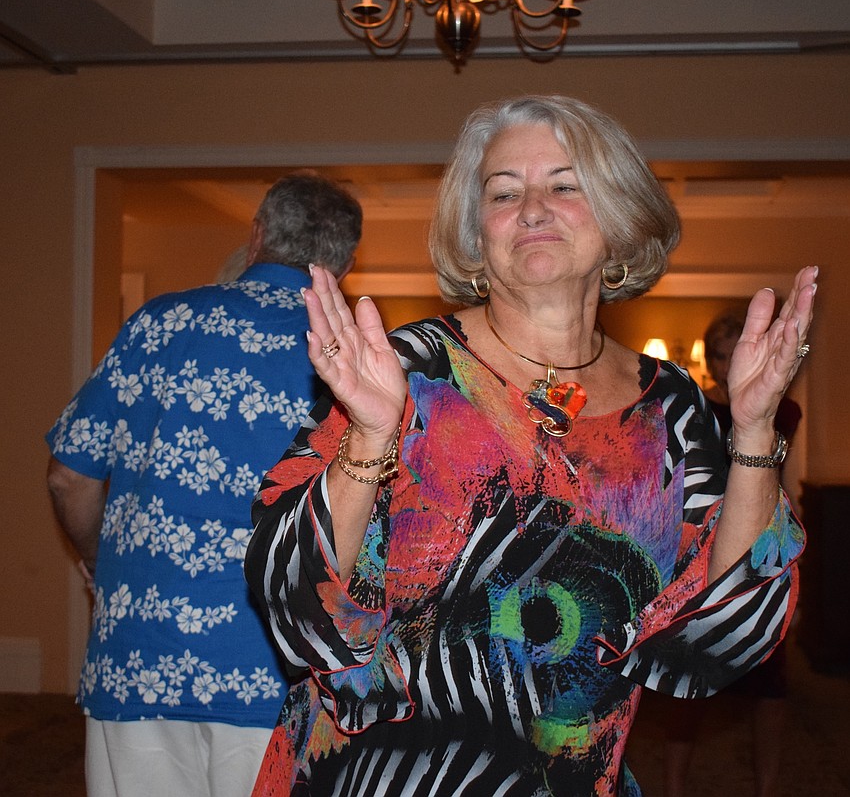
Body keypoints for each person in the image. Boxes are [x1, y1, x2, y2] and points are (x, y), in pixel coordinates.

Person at [245, 96, 817, 795]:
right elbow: (295, 599)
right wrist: (369, 435)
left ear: (619, 219)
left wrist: (753, 430)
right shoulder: (407, 368)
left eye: (564, 185)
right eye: (504, 192)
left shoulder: (669, 406)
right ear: (477, 235)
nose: (533, 210)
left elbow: (723, 629)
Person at [45, 173, 362, 797]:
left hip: (140, 653)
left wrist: (96, 559)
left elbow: (68, 475)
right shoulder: (350, 354)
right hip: (279, 663)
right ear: (346, 263)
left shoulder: (158, 324)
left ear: (257, 235)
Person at [664, 310, 803, 797]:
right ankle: (674, 788)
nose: (727, 365)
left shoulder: (782, 411)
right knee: (691, 676)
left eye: (733, 353)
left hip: (763, 548)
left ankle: (767, 788)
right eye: (719, 356)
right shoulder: (694, 407)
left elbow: (783, 485)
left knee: (771, 684)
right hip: (700, 552)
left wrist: (794, 564)